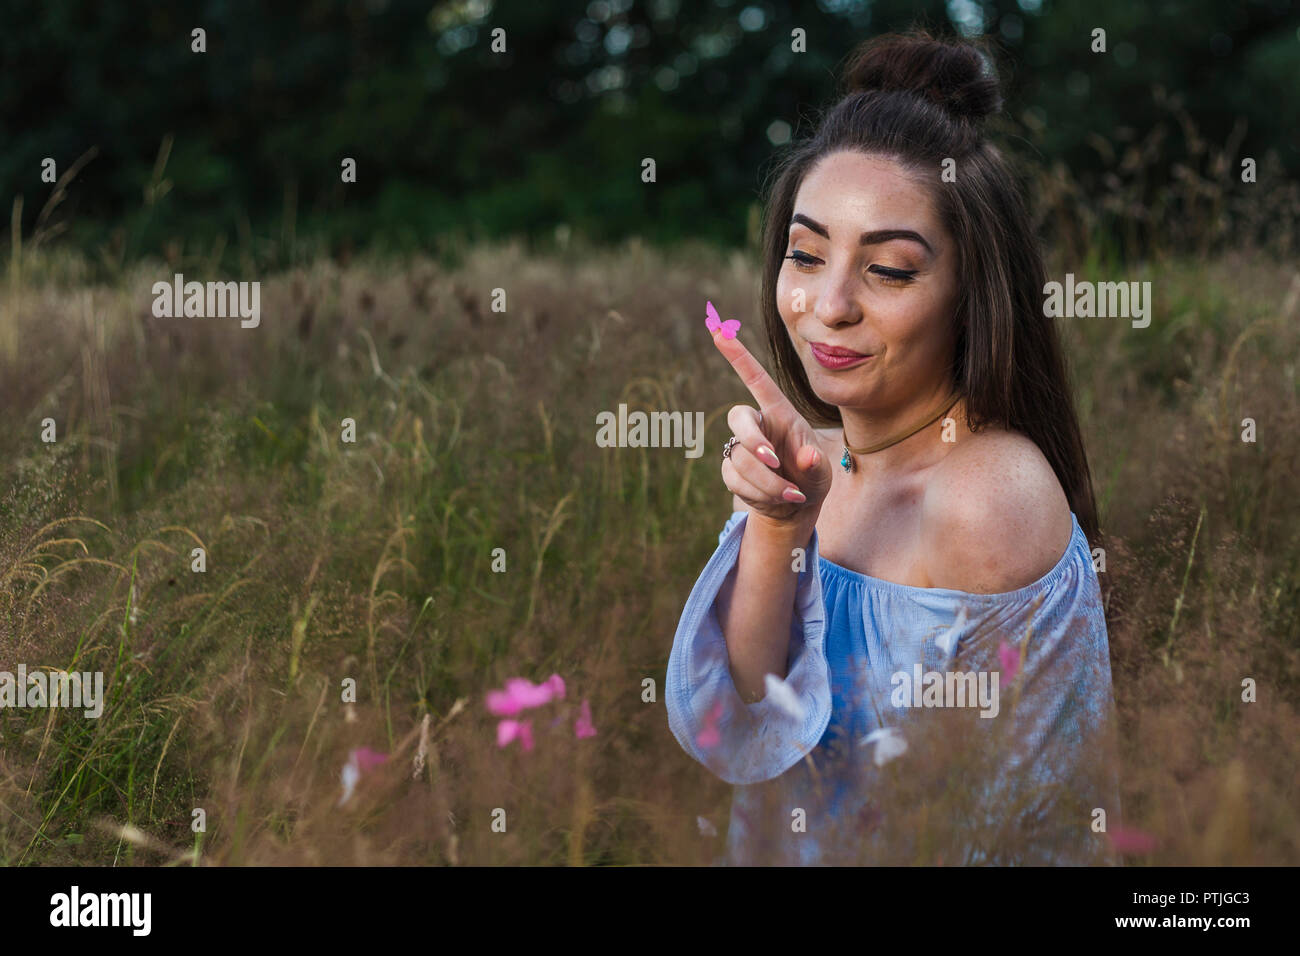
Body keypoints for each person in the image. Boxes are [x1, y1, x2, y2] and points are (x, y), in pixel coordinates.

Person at [666, 30, 1120, 865]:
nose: (829, 304)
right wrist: (776, 529)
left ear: (971, 292)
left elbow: (972, 830)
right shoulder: (819, 458)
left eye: (891, 270)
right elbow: (739, 728)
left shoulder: (986, 496)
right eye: (806, 255)